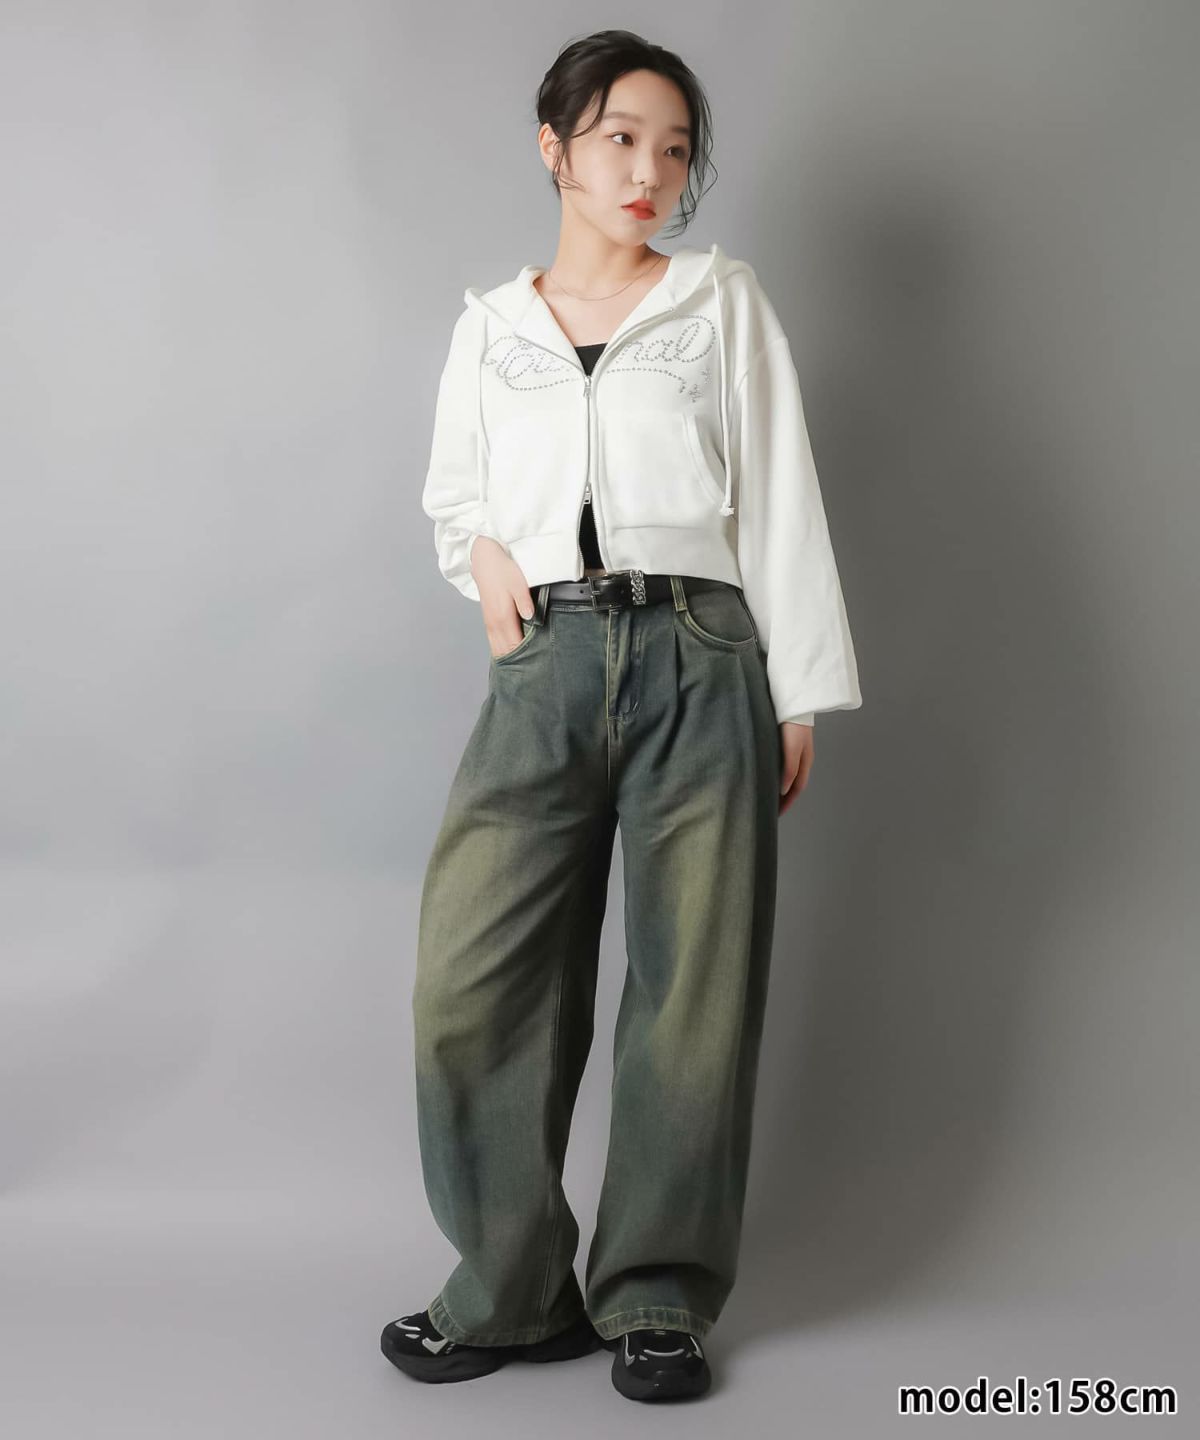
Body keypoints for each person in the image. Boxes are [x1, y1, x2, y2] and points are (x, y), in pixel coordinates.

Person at [380, 29, 862, 1404]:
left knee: (691, 993)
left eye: (674, 148)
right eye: (618, 139)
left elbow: (779, 493)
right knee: (469, 988)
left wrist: (799, 689)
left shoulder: (719, 302)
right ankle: (512, 1288)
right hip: (546, 660)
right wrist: (482, 558)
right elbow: (457, 499)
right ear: (556, 148)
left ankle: (657, 1296)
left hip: (702, 652)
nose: (649, 171)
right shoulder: (493, 326)